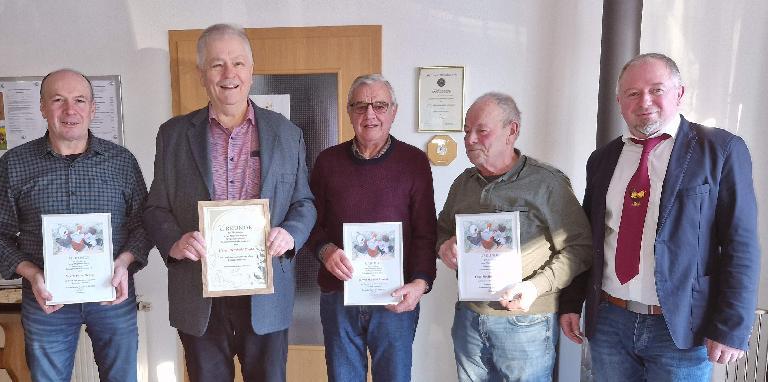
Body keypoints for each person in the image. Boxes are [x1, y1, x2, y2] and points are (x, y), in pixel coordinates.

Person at [559, 53, 761, 381]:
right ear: (619, 101)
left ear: (679, 93)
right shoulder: (603, 159)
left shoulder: (721, 150)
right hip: (610, 321)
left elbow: (742, 245)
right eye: (633, 93)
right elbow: (589, 239)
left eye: (657, 90)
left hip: (681, 327)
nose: (645, 102)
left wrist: (731, 325)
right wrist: (571, 301)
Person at [143, 23, 316, 382]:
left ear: (251, 71)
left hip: (266, 293)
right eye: (217, 64)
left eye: (238, 63)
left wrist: (291, 234)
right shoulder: (173, 135)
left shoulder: (287, 133)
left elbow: (304, 203)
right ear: (201, 75)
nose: (229, 74)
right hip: (199, 292)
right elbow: (156, 208)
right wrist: (175, 241)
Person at [0, 69, 152, 381]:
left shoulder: (121, 161)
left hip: (111, 298)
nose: (70, 110)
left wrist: (125, 262)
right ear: (42, 107)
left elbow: (144, 223)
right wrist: (31, 274)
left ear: (92, 108)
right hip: (46, 300)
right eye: (58, 100)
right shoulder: (15, 163)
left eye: (79, 100)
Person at [437, 92, 593, 381]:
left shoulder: (547, 183)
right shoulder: (462, 183)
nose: (469, 139)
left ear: (512, 131)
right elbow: (443, 229)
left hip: (527, 324)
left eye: (481, 130)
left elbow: (580, 247)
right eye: (466, 130)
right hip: (469, 318)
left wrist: (535, 287)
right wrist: (443, 246)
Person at [307, 74, 437, 382]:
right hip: (340, 296)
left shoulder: (414, 162)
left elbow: (425, 232)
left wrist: (420, 283)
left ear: (393, 111)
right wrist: (325, 252)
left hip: (395, 298)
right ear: (349, 112)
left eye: (379, 105)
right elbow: (310, 222)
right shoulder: (327, 162)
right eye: (360, 106)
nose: (370, 114)